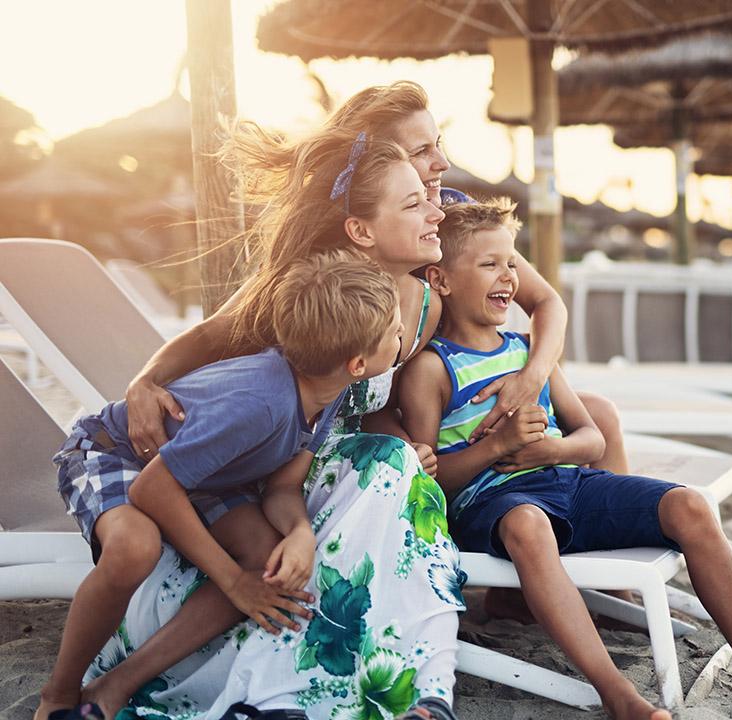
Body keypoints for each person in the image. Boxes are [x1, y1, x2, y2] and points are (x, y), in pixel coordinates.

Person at [76, 131, 466, 720]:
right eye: (414, 201)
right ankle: (288, 687)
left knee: (390, 473)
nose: (438, 205)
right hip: (204, 457)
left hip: (272, 463)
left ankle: (419, 682)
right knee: (380, 480)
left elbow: (356, 411)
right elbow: (209, 343)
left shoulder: (412, 306)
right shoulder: (313, 299)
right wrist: (143, 384)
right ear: (360, 230)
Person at [399, 198, 732, 720]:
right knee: (530, 526)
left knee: (690, 507)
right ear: (440, 280)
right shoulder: (432, 370)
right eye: (489, 264)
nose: (508, 276)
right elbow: (431, 485)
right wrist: (496, 448)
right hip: (495, 505)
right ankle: (616, 691)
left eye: (512, 262)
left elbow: (591, 440)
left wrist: (550, 449)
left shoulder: (529, 351)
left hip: (570, 483)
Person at [37, 248, 402, 720]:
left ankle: (117, 684)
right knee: (135, 547)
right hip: (117, 451)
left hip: (204, 473)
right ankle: (59, 693)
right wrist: (232, 583)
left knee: (265, 569)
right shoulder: (261, 402)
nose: (400, 334)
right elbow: (153, 487)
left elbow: (282, 488)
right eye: (394, 330)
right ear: (356, 363)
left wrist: (300, 534)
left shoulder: (330, 391)